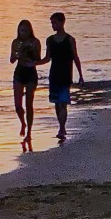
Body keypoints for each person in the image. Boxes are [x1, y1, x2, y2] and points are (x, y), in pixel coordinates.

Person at [44, 12, 84, 140]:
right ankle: (62, 126)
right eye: (52, 23)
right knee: (57, 103)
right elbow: (47, 58)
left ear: (62, 22)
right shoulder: (50, 40)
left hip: (66, 74)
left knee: (63, 103)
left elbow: (75, 57)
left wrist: (81, 75)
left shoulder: (70, 40)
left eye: (55, 22)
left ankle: (62, 128)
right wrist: (33, 63)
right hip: (54, 74)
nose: (53, 25)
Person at [10, 19, 42, 141]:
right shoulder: (16, 42)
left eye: (25, 30)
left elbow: (37, 59)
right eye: (21, 30)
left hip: (30, 73)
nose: (23, 32)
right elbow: (12, 59)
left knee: (29, 104)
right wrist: (17, 54)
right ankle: (22, 122)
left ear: (30, 30)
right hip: (19, 72)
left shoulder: (35, 42)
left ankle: (29, 132)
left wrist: (30, 52)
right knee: (18, 105)